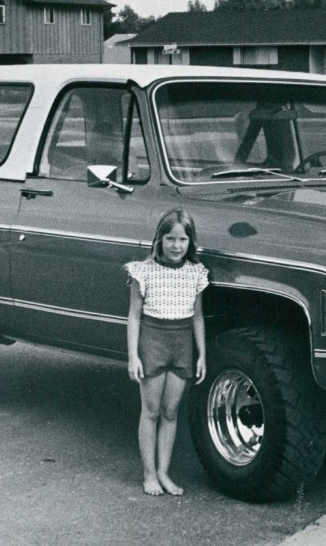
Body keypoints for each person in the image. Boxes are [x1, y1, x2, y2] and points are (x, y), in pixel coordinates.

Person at [125, 207, 208, 496]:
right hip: (153, 343)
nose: (176, 246)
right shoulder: (143, 271)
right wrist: (133, 355)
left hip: (182, 344)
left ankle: (164, 472)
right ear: (160, 239)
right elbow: (134, 316)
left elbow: (197, 317)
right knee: (151, 410)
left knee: (171, 412)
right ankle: (149, 474)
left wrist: (202, 355)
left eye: (183, 240)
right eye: (171, 239)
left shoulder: (196, 273)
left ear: (190, 242)